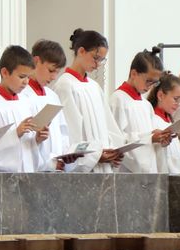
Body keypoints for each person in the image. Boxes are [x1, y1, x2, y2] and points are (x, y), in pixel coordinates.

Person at [53, 28, 126, 173]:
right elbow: (70, 131)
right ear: (81, 51)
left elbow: (108, 125)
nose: (98, 64)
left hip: (104, 165)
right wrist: (94, 156)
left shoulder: (94, 87)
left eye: (101, 60)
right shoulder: (65, 85)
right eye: (96, 58)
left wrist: (114, 151)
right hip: (84, 168)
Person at [0, 46, 49, 173]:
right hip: (1, 178)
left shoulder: (25, 101)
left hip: (27, 174)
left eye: (29, 77)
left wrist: (37, 139)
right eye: (22, 76)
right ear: (5, 72)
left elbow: (26, 148)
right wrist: (16, 133)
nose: (26, 82)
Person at [108, 48, 169, 173]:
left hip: (148, 172)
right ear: (134, 73)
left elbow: (151, 142)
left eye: (155, 83)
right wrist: (150, 137)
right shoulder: (118, 99)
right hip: (126, 173)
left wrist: (160, 139)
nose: (150, 86)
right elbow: (116, 141)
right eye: (148, 81)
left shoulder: (146, 105)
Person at [25, 39, 76, 171]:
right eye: (51, 70)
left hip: (57, 168)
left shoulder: (52, 96)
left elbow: (62, 132)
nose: (54, 77)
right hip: (36, 170)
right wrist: (47, 163)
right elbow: (24, 139)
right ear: (36, 61)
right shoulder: (22, 95)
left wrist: (65, 156)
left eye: (57, 72)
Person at [147, 72, 180, 173]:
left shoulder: (170, 121)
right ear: (160, 95)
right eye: (176, 99)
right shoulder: (153, 120)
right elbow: (160, 156)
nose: (178, 104)